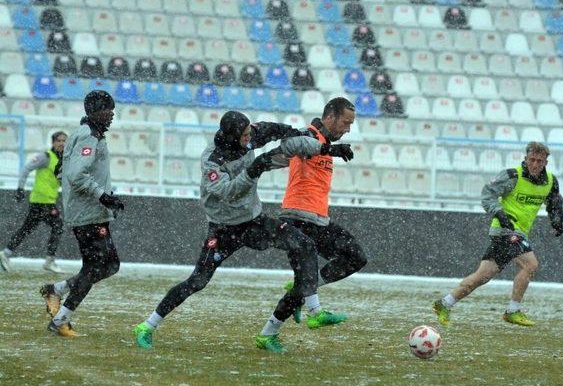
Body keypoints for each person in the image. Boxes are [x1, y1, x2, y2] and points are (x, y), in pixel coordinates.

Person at [133, 111, 354, 353]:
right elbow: (229, 192)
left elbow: (277, 131)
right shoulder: (212, 161)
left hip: (253, 221)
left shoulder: (247, 136)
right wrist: (254, 170)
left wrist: (326, 149)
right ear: (232, 136)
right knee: (197, 281)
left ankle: (314, 311)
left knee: (304, 244)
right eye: (246, 135)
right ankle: (147, 326)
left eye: (251, 133)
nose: (251, 138)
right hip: (224, 229)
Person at [258, 97, 367, 342]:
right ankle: (273, 330)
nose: (347, 129)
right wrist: (329, 149)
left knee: (356, 257)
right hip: (297, 217)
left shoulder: (326, 141)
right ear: (330, 117)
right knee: (304, 280)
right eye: (345, 123)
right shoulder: (309, 135)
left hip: (319, 219)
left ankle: (299, 295)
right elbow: (293, 145)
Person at [433, 142, 563, 327]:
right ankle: (512, 310)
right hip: (504, 230)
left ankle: (445, 303)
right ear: (525, 159)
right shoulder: (512, 175)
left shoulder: (550, 181)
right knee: (531, 264)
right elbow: (487, 194)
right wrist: (499, 213)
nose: (535, 164)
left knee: (482, 276)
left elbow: (554, 203)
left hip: (520, 233)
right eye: (532, 160)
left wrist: (557, 219)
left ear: (546, 162)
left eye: (539, 161)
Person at [40, 90, 124, 337]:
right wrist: (102, 196)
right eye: (108, 109)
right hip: (89, 213)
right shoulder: (89, 136)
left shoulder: (81, 134)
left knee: (110, 265)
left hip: (88, 212)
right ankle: (59, 321)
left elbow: (61, 170)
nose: (112, 114)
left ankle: (56, 290)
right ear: (96, 110)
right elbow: (76, 175)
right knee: (96, 267)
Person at [1, 131, 67, 273]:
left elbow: (58, 180)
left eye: (64, 141)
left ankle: (6, 253)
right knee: (58, 225)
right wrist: (20, 188)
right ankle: (50, 260)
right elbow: (26, 169)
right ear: (53, 142)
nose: (62, 143)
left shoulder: (62, 159)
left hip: (45, 200)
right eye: (59, 140)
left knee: (27, 228)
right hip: (42, 201)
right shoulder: (46, 156)